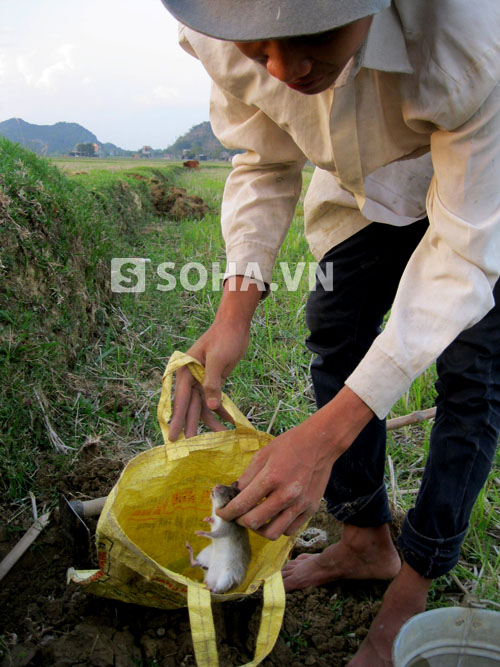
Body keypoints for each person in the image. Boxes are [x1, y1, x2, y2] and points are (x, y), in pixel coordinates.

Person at [160, 1, 500, 664]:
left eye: (311, 32)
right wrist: (233, 316)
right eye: (260, 47)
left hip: (479, 189)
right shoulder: (218, 27)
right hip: (369, 185)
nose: (286, 68)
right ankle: (368, 540)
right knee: (336, 322)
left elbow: (461, 255)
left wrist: (325, 436)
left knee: (474, 370)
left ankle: (414, 578)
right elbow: (263, 156)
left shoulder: (465, 42)